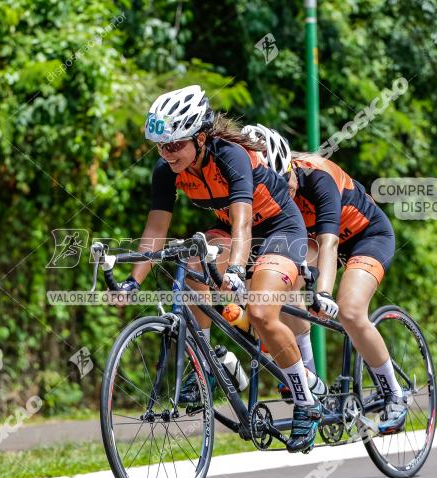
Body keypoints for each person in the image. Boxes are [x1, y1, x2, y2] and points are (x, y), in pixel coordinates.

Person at [118, 85, 326, 452]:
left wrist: (234, 271)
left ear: (200, 138)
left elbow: (243, 223)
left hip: (279, 230)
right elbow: (155, 231)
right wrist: (132, 282)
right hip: (231, 231)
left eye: (174, 145)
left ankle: (306, 400)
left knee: (261, 312)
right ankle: (210, 362)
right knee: (192, 260)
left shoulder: (231, 155)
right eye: (160, 146)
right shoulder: (167, 170)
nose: (166, 155)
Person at [242, 125, 407, 434]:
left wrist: (325, 293)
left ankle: (394, 395)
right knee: (284, 292)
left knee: (350, 310)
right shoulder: (265, 193)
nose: (285, 194)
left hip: (363, 237)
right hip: (315, 242)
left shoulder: (318, 176)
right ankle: (310, 382)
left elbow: (329, 243)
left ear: (291, 168)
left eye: (287, 185)